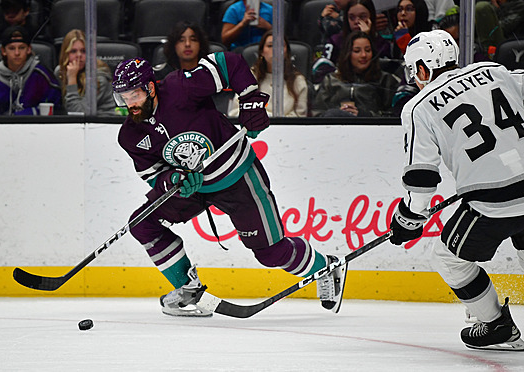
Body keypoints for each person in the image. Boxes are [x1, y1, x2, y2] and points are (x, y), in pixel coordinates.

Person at [111, 54, 347, 317]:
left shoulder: (180, 87)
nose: (129, 104)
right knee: (142, 223)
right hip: (194, 187)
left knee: (271, 253)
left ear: (151, 88)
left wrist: (249, 100)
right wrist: (173, 181)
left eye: (134, 95)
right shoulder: (130, 135)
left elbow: (228, 64)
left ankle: (326, 267)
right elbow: (153, 174)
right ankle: (188, 290)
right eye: (123, 98)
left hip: (237, 176)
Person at [389, 29, 524, 351]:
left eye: (415, 73)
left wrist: (408, 219)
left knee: (449, 259)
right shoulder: (492, 71)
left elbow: (422, 179)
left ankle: (496, 326)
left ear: (422, 69)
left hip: (495, 199)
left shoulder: (418, 107)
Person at [312, 31, 400, 117]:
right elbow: (317, 113)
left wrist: (365, 115)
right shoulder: (331, 80)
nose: (364, 55)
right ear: (347, 54)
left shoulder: (385, 80)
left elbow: (394, 115)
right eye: (357, 51)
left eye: (368, 50)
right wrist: (336, 114)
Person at [228, 30, 308, 117]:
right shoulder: (249, 77)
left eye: (281, 46)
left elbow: (300, 116)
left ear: (287, 52)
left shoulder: (298, 80)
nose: (276, 50)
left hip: (287, 129)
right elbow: (235, 112)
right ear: (262, 52)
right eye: (270, 46)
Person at [0, 25, 61, 115]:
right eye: (11, 48)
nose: (17, 53)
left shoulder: (41, 76)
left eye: (21, 48)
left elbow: (56, 108)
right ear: (3, 51)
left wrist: (28, 114)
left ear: (29, 49)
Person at [56, 29, 116, 115]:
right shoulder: (60, 72)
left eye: (83, 51)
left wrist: (72, 80)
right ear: (65, 54)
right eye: (73, 51)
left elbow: (79, 114)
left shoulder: (99, 78)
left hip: (101, 124)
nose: (79, 55)